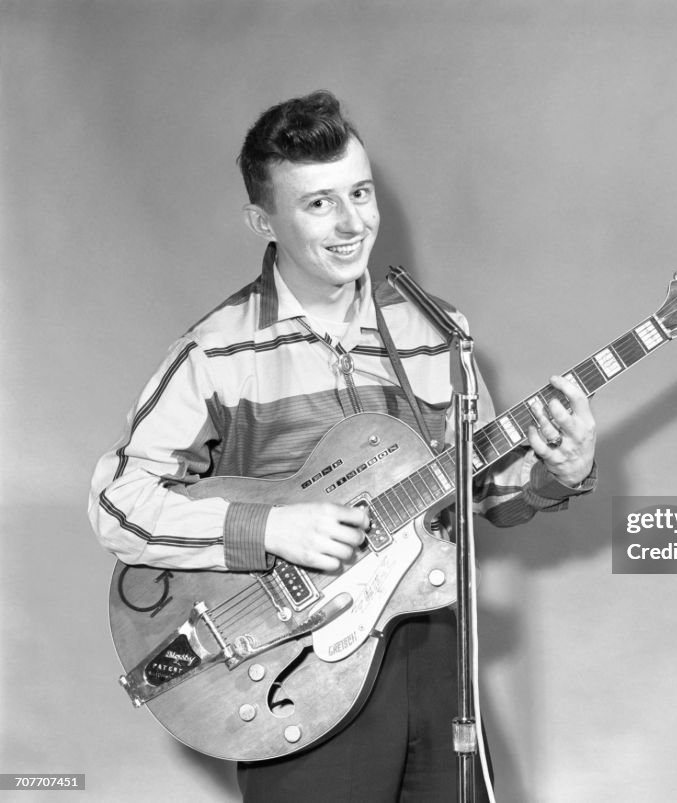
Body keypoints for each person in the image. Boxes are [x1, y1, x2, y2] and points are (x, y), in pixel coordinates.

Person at [88, 89, 597, 801]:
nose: (353, 223)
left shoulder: (438, 331)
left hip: (435, 653)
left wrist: (555, 475)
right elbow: (118, 502)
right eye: (319, 203)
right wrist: (271, 526)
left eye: (360, 192)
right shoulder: (215, 350)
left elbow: (473, 491)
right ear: (261, 220)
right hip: (297, 673)